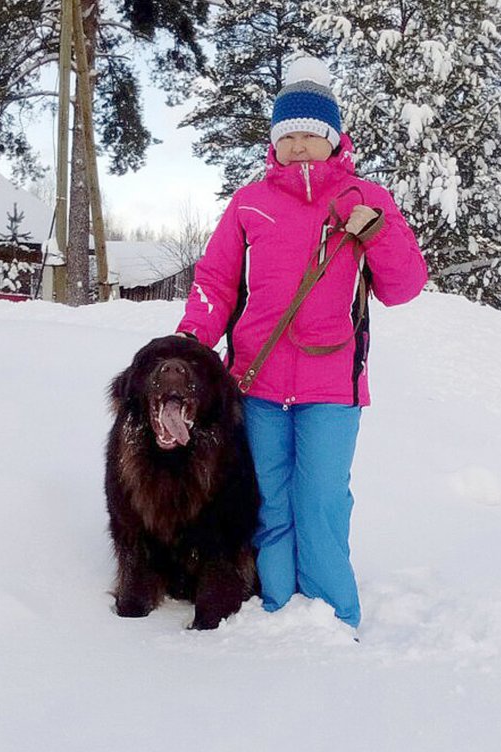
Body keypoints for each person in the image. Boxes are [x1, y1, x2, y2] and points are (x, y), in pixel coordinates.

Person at [176, 56, 428, 638]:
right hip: (254, 383)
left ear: (333, 139)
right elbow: (215, 282)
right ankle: (277, 606)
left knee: (320, 502)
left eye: (310, 135)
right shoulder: (249, 202)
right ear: (274, 142)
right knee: (268, 500)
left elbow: (405, 286)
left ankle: (334, 616)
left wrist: (377, 231)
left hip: (332, 386)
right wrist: (192, 343)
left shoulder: (368, 197)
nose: (298, 146)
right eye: (286, 135)